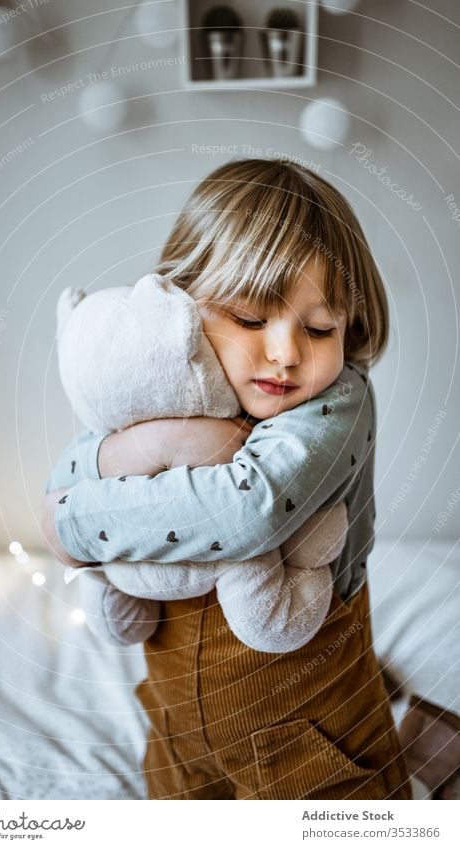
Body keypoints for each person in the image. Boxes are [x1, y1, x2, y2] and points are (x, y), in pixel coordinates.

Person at [42, 158, 412, 800]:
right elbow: (73, 467)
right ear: (182, 305)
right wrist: (155, 442)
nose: (287, 352)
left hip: (309, 735)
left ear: (348, 328)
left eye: (320, 328)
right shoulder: (175, 384)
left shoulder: (336, 404)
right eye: (249, 318)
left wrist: (70, 521)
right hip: (180, 725)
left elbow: (251, 512)